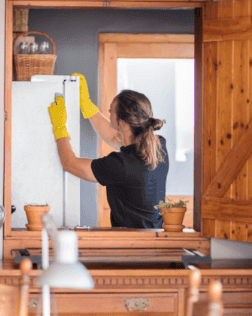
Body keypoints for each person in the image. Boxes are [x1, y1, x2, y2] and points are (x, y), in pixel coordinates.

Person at [48, 74, 168, 228]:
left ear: (123, 122)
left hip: (132, 244)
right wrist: (87, 107)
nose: (109, 111)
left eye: (111, 111)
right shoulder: (159, 146)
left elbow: (70, 164)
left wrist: (60, 128)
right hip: (156, 237)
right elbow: (115, 137)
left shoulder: (121, 164)